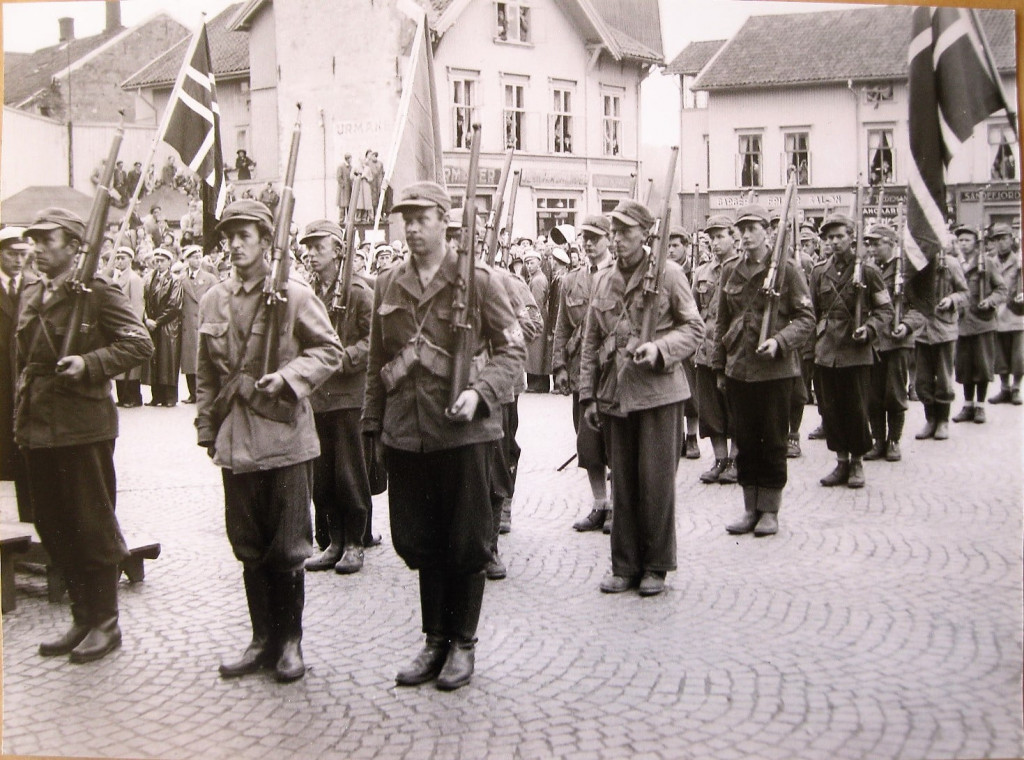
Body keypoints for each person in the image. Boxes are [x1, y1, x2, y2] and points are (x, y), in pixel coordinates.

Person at [362, 181, 525, 690]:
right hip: (408, 433)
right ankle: (434, 640)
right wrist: (372, 426)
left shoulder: (478, 280)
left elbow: (512, 351)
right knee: (420, 541)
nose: (411, 228)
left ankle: (462, 644)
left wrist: (480, 393)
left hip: (463, 434)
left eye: (422, 218)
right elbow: (376, 362)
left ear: (444, 221)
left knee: (466, 541)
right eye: (406, 220)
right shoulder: (388, 283)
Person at [196, 200, 343, 683]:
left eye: (245, 236)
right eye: (229, 237)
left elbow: (329, 351)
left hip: (284, 440)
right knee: (248, 545)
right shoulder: (213, 299)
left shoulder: (295, 296)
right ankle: (261, 640)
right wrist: (206, 428)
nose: (235, 245)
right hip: (235, 442)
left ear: (266, 241)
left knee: (287, 548)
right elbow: (206, 373)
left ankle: (290, 642)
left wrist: (288, 377)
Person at [18, 207, 154, 663]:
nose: (37, 248)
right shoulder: (33, 290)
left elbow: (139, 343)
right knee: (51, 523)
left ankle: (105, 622)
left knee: (90, 523)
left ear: (75, 246)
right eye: (35, 240)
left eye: (48, 239)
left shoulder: (97, 291)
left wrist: (89, 363)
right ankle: (82, 615)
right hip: (38, 424)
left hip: (82, 426)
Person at [578, 200, 704, 597]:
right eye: (614, 232)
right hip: (616, 393)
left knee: (656, 483)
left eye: (625, 232)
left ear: (645, 234)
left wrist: (661, 349)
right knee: (623, 483)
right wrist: (588, 397)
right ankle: (624, 565)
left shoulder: (670, 274)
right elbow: (591, 341)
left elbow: (694, 329)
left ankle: (656, 566)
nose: (617, 239)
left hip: (659, 393)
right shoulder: (603, 280)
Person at [711, 204, 814, 536]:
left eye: (752, 228)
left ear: (768, 232)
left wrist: (780, 342)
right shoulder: (730, 270)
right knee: (744, 440)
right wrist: (719, 366)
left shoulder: (788, 270)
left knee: (772, 441)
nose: (745, 235)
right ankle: (749, 508)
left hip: (774, 371)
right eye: (741, 229)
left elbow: (806, 319)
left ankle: (769, 510)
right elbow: (722, 322)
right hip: (739, 369)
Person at [298, 220, 374, 575]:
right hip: (317, 395)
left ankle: (355, 542)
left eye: (319, 247)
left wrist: (345, 358)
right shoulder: (309, 292)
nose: (311, 255)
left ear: (338, 251)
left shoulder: (358, 292)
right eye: (308, 248)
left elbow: (375, 340)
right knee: (323, 475)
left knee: (349, 473)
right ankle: (333, 541)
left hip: (348, 396)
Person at [810, 214, 893, 489]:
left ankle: (857, 462)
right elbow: (811, 313)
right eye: (829, 237)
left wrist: (869, 329)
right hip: (827, 350)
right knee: (830, 410)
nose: (834, 242)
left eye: (839, 236)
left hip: (856, 351)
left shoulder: (868, 272)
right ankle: (841, 461)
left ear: (851, 237)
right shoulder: (819, 272)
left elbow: (885, 310)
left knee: (856, 409)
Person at [553, 215, 615, 532]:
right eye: (585, 238)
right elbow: (562, 326)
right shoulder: (571, 281)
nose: (589, 244)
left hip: (614, 371)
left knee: (616, 442)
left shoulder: (620, 276)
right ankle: (599, 504)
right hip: (582, 372)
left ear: (609, 239)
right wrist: (559, 366)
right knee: (589, 443)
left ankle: (617, 506)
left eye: (595, 238)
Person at [904, 244, 969, 441]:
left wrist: (951, 300)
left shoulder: (950, 264)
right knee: (922, 380)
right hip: (922, 331)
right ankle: (930, 419)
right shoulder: (917, 266)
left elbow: (965, 293)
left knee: (943, 379)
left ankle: (942, 420)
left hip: (944, 330)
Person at [693, 216, 740, 484]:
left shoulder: (741, 269)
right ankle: (720, 459)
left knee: (735, 407)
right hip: (706, 348)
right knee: (710, 409)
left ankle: (736, 459)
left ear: (733, 237)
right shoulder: (702, 272)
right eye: (712, 237)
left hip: (734, 348)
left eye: (720, 236)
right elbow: (692, 309)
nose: (715, 242)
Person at [862, 224, 914, 462]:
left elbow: (920, 306)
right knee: (873, 395)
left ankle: (894, 440)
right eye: (869, 244)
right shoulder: (866, 269)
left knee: (894, 393)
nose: (872, 248)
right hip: (873, 340)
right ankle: (878, 440)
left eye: (877, 243)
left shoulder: (905, 270)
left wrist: (907, 325)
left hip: (897, 340)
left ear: (891, 243)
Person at [950, 225, 1006, 424]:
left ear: (976, 243)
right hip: (962, 322)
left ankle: (980, 406)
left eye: (967, 240)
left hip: (983, 322)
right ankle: (967, 405)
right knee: (965, 367)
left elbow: (1001, 289)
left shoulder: (986, 263)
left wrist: (990, 301)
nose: (963, 244)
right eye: (960, 240)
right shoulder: (954, 264)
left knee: (982, 367)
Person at [0, 227, 36, 522]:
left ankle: (29, 522)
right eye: (12, 254)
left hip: (23, 381)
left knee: (26, 458)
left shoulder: (35, 286)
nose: (18, 260)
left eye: (23, 254)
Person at [667, 227, 701, 460]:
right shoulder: (664, 271)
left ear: (686, 247)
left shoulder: (695, 272)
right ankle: (677, 436)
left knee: (692, 391)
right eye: (668, 246)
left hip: (688, 334)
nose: (671, 250)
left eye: (676, 245)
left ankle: (692, 437)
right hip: (669, 337)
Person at [985, 223, 1023, 405]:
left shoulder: (1019, 261)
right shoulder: (989, 262)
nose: (1000, 242)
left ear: (1011, 239)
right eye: (997, 239)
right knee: (1000, 354)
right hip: (996, 313)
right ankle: (1004, 388)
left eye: (1004, 238)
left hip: (1016, 312)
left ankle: (1016, 388)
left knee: (1018, 355)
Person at [178, 245, 218, 404]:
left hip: (203, 321)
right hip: (187, 323)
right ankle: (192, 393)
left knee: (203, 360)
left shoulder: (210, 278)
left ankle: (204, 393)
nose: (197, 260)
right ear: (187, 260)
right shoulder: (181, 279)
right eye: (194, 257)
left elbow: (216, 300)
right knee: (189, 360)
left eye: (199, 257)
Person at [143, 248, 183, 406]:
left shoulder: (175, 280)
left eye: (162, 261)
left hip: (167, 325)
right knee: (155, 360)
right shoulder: (149, 279)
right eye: (156, 261)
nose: (158, 264)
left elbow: (175, 306)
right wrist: (146, 319)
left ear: (169, 262)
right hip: (152, 323)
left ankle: (170, 397)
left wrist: (157, 322)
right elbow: (144, 301)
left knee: (168, 361)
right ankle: (156, 396)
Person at [110, 246, 146, 408]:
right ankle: (123, 396)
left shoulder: (134, 279)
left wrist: (134, 326)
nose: (119, 261)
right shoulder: (116, 277)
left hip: (128, 324)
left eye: (122, 258)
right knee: (120, 361)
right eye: (117, 258)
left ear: (130, 260)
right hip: (117, 324)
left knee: (130, 364)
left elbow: (138, 304)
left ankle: (133, 396)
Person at [524, 249, 550, 392]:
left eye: (531, 263)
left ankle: (537, 383)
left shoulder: (538, 280)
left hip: (537, 317)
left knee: (536, 352)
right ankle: (538, 382)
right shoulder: (537, 278)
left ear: (539, 263)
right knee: (537, 352)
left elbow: (536, 303)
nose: (529, 266)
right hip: (539, 317)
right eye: (527, 263)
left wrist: (532, 320)